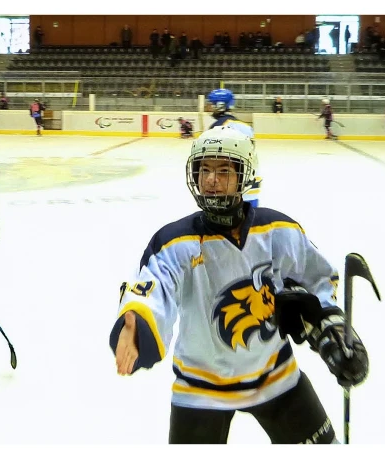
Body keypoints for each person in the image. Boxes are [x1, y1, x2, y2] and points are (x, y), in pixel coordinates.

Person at [109, 126, 369, 444]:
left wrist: (333, 331)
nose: (210, 180)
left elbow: (318, 280)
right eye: (203, 169)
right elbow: (154, 287)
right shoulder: (175, 242)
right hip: (200, 387)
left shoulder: (279, 230)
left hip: (276, 376)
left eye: (222, 170)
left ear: (244, 175)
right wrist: (137, 323)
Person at [207, 88, 261, 207]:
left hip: (231, 187)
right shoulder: (245, 126)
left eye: (211, 104)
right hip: (252, 185)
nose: (209, 108)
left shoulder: (218, 126)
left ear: (220, 105)